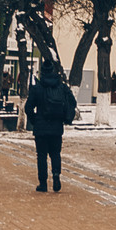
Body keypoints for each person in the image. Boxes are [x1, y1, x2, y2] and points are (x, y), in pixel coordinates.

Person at [27, 61, 75, 193]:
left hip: (41, 128)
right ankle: (56, 176)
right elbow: (72, 102)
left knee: (41, 155)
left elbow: (28, 108)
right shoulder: (61, 87)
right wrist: (66, 117)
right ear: (53, 71)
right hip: (57, 127)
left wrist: (35, 121)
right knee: (55, 154)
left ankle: (43, 184)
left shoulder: (37, 88)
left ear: (42, 72)